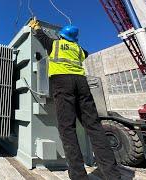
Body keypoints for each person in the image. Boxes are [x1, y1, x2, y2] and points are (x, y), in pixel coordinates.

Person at [28, 18, 121, 180]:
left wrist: (35, 26)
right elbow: (86, 53)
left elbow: (41, 36)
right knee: (94, 127)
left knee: (67, 128)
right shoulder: (79, 49)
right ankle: (112, 174)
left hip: (62, 83)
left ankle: (78, 175)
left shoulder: (54, 44)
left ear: (62, 36)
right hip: (81, 84)